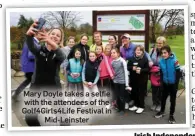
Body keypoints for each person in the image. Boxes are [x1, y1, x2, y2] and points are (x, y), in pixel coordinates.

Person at [25, 21, 66, 126]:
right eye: (53, 33)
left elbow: (62, 57)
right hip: (37, 86)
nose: (55, 36)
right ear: (47, 34)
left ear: (60, 40)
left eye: (58, 36)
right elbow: (31, 46)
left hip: (53, 87)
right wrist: (29, 36)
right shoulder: (39, 49)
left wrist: (52, 44)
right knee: (30, 118)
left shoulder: (59, 52)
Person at [154, 45, 180, 124]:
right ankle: (162, 111)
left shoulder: (174, 60)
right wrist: (161, 83)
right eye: (162, 53)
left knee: (172, 100)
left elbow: (178, 73)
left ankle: (171, 115)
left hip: (173, 84)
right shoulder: (161, 61)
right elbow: (161, 72)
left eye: (165, 53)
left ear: (169, 53)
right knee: (163, 98)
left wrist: (176, 84)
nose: (163, 55)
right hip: (165, 83)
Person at [12, 34, 41, 101]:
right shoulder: (33, 42)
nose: (42, 35)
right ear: (36, 34)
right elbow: (31, 56)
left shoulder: (30, 41)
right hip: (31, 67)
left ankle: (16, 94)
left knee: (28, 81)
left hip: (28, 66)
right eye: (40, 34)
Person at [128, 45, 149, 114]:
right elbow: (128, 67)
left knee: (141, 93)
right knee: (134, 92)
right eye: (137, 50)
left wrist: (141, 70)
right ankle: (136, 105)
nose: (138, 51)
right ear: (135, 51)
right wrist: (132, 68)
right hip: (133, 79)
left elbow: (148, 69)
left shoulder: (145, 59)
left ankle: (141, 106)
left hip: (142, 79)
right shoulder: (131, 58)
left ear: (143, 52)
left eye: (140, 50)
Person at [111, 48, 131, 115]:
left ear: (118, 53)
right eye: (111, 53)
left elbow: (126, 72)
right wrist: (113, 78)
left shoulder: (122, 61)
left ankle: (122, 109)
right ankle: (119, 108)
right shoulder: (112, 62)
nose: (112, 54)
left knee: (122, 96)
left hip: (122, 82)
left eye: (114, 53)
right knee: (117, 96)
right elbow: (114, 72)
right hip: (116, 81)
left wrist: (127, 84)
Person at [149, 36, 166, 112]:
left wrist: (160, 69)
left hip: (162, 72)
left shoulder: (165, 52)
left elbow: (167, 63)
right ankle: (154, 103)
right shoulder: (152, 50)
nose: (158, 44)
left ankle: (159, 104)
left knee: (161, 89)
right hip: (153, 72)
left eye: (160, 43)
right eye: (157, 43)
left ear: (164, 44)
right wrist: (150, 63)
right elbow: (148, 59)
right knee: (154, 89)